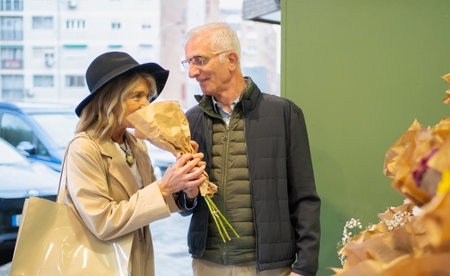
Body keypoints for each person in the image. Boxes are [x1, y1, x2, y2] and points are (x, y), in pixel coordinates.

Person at [179, 23, 321, 276]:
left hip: (268, 267)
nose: (192, 72)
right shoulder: (190, 121)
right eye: (188, 62)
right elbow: (183, 205)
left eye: (199, 60)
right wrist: (187, 194)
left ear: (231, 59)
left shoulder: (283, 114)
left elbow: (305, 197)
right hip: (207, 264)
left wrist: (305, 267)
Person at [62, 51, 206, 276]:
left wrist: (186, 189)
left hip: (137, 260)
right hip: (99, 265)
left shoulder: (136, 144)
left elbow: (154, 202)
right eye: (136, 96)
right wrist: (164, 186)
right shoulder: (83, 148)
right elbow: (103, 223)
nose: (145, 105)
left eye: (148, 97)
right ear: (109, 100)